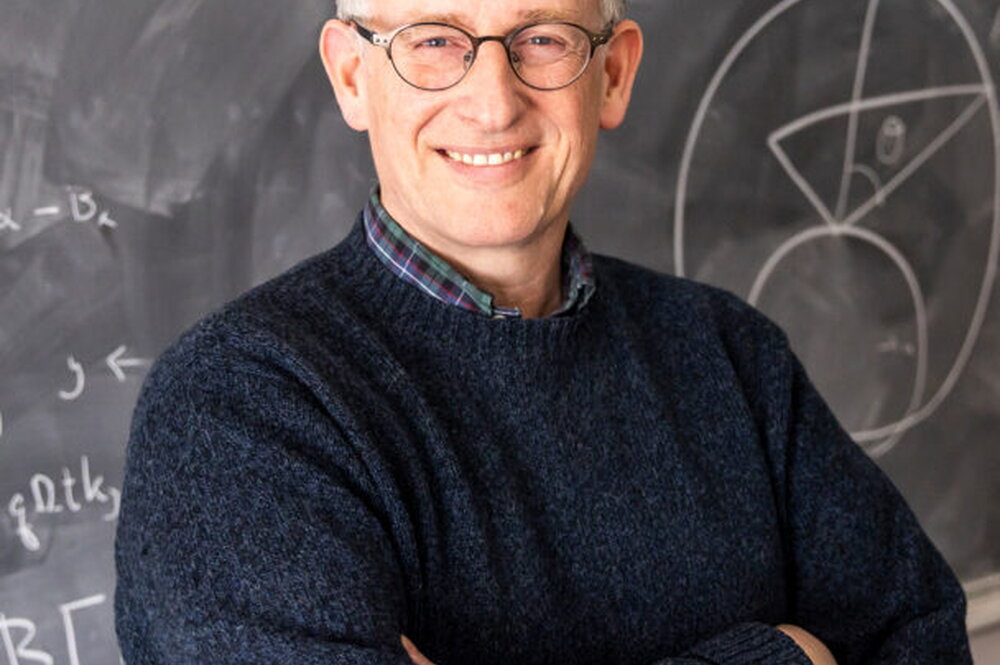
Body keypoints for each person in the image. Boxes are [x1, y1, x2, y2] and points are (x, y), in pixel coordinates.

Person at [113, 1, 973, 664]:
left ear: (615, 74)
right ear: (350, 77)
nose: (492, 102)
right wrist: (783, 653)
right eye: (435, 39)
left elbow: (922, 638)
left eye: (542, 39)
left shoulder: (730, 356)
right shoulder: (239, 409)